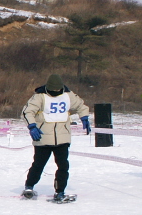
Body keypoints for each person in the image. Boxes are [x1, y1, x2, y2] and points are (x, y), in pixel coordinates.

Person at [21, 74, 90, 202]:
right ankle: (29, 186)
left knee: (63, 166)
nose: (56, 92)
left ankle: (60, 191)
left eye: (58, 89)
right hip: (43, 137)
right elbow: (27, 111)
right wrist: (32, 126)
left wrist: (84, 116)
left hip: (62, 138)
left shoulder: (68, 95)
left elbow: (81, 105)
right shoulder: (40, 96)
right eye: (54, 89)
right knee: (38, 164)